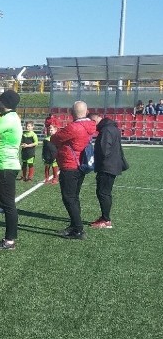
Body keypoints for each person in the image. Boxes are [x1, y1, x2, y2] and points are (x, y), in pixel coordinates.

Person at [51, 100, 97, 239]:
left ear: (72, 113)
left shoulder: (74, 127)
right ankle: (74, 225)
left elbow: (55, 138)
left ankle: (78, 229)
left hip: (70, 165)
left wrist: (56, 133)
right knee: (74, 197)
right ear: (86, 112)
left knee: (68, 198)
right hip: (80, 164)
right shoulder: (90, 125)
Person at [0, 89, 23, 251]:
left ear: (5, 103)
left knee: (7, 205)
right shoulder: (10, 118)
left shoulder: (7, 119)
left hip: (4, 167)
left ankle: (9, 241)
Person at [89, 113, 128, 230]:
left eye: (91, 123)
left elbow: (104, 150)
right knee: (105, 192)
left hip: (107, 166)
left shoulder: (106, 130)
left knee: (103, 193)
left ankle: (106, 220)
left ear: (94, 120)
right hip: (112, 165)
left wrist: (96, 159)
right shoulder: (113, 128)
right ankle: (104, 217)